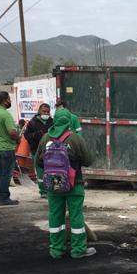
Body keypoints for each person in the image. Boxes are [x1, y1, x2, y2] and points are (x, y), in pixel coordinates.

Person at [35, 108, 95, 259]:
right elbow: (88, 160)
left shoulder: (45, 138)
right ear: (69, 121)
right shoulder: (75, 138)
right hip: (74, 184)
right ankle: (78, 250)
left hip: (53, 185)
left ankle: (56, 249)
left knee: (55, 216)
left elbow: (38, 162)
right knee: (76, 216)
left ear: (54, 120)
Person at [0, 91, 21, 206]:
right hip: (6, 148)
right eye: (9, 99)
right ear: (5, 100)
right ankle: (4, 197)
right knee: (6, 173)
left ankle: (2, 195)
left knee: (1, 173)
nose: (10, 101)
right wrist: (18, 138)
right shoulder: (5, 114)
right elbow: (12, 132)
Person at [23, 103, 53, 198]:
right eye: (44, 111)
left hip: (50, 150)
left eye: (48, 112)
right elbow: (26, 135)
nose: (46, 113)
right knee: (40, 171)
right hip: (37, 150)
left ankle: (50, 189)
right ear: (39, 111)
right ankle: (43, 191)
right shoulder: (32, 122)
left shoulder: (52, 122)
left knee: (50, 170)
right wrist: (35, 135)